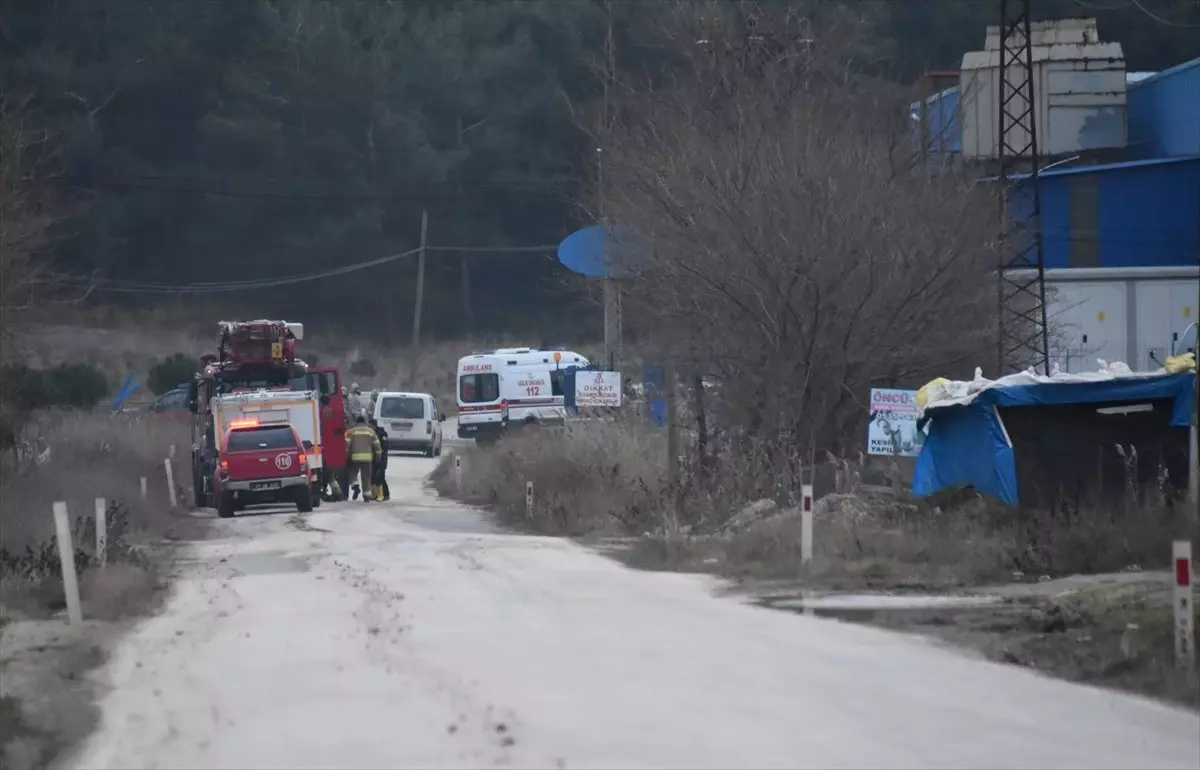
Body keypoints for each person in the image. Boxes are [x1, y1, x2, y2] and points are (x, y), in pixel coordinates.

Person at [344, 413, 381, 501]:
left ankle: (355, 486)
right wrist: (378, 457)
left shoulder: (351, 431)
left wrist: (346, 457)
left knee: (352, 473)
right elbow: (377, 445)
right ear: (365, 422)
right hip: (368, 459)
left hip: (355, 458)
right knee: (366, 477)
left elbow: (347, 446)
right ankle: (367, 496)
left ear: (356, 422)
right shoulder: (370, 431)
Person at [369, 418, 391, 502]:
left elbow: (385, 446)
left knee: (380, 477)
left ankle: (383, 495)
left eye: (370, 425)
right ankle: (375, 494)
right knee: (373, 476)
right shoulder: (373, 433)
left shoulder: (380, 434)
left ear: (373, 425)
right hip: (374, 458)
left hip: (381, 458)